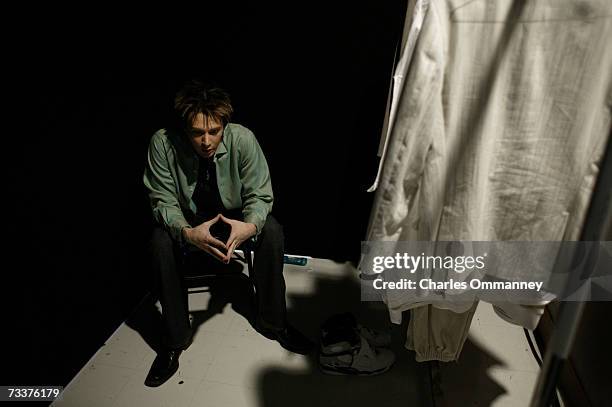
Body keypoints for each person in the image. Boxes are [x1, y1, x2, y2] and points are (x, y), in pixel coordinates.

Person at [143, 80, 313, 387]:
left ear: (225, 125)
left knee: (271, 230)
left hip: (233, 216)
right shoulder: (162, 143)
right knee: (159, 241)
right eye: (197, 133)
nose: (207, 141)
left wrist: (249, 225)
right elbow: (163, 200)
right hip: (190, 219)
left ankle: (275, 323)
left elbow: (260, 196)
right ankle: (175, 338)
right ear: (184, 129)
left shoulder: (243, 139)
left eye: (214, 131)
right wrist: (186, 232)